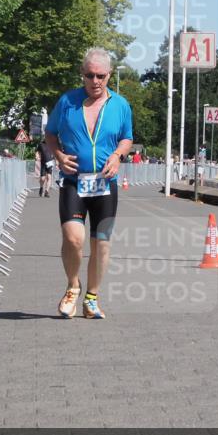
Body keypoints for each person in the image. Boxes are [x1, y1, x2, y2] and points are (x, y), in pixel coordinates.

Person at [45, 47, 133, 319]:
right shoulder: (67, 102)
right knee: (73, 238)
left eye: (101, 76)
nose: (95, 81)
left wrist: (118, 156)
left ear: (110, 75)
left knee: (101, 242)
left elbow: (126, 138)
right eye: (89, 75)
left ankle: (91, 297)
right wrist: (58, 156)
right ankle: (73, 286)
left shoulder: (120, 105)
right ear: (82, 75)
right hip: (74, 180)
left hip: (105, 183)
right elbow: (50, 135)